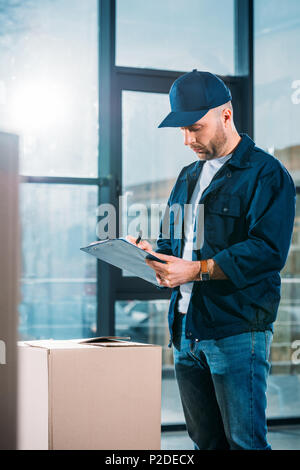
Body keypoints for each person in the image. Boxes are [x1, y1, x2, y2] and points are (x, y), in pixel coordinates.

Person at [128, 69, 296, 450]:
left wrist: (198, 270)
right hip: (186, 331)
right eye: (182, 131)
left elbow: (268, 251)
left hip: (236, 331)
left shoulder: (267, 175)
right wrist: (148, 254)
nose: (188, 140)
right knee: (205, 441)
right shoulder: (187, 177)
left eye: (196, 128)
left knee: (245, 443)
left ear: (226, 115)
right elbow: (172, 243)